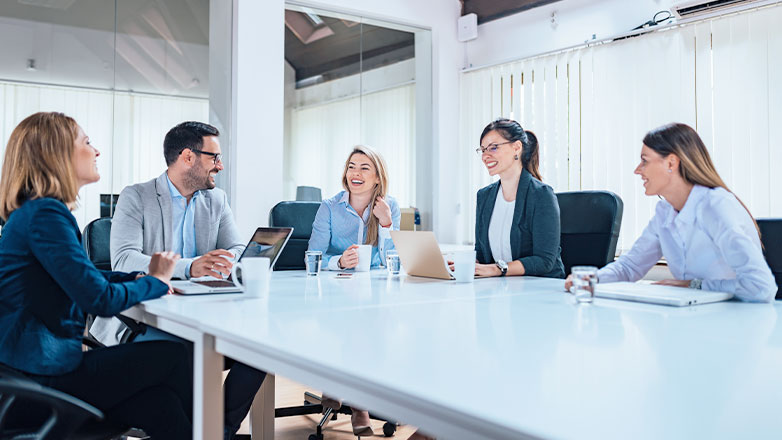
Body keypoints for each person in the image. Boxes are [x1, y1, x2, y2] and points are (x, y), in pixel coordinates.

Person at [0, 112, 190, 438]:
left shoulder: (34, 212)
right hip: (41, 381)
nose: (96, 151)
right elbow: (98, 298)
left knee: (160, 404)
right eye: (87, 142)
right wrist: (155, 282)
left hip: (27, 376)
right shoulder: (46, 214)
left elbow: (84, 277)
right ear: (56, 153)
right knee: (174, 355)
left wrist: (135, 279)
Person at [89, 121, 267, 439]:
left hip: (206, 315)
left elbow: (238, 248)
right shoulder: (137, 196)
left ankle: (219, 431)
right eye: (214, 157)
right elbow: (124, 260)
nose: (220, 166)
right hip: (143, 322)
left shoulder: (216, 200)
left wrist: (226, 261)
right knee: (185, 350)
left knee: (260, 347)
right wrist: (190, 267)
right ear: (188, 157)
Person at [565, 122, 776, 302]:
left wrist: (694, 285)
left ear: (671, 163)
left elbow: (761, 287)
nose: (638, 170)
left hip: (735, 322)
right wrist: (592, 279)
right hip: (694, 317)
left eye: (645, 161)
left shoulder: (716, 207)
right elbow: (630, 267)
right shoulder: (665, 212)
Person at [307, 145, 400, 436]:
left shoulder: (389, 206)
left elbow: (392, 259)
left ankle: (339, 385)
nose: (355, 173)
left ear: (377, 177)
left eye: (364, 168)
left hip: (374, 289)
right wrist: (338, 261)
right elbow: (312, 255)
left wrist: (386, 222)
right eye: (351, 167)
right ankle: (359, 404)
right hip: (335, 289)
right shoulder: (329, 207)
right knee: (357, 327)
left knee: (376, 325)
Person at [472, 118, 565, 278]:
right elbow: (481, 253)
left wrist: (497, 269)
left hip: (541, 286)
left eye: (493, 148)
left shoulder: (541, 195)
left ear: (516, 148)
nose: (485, 156)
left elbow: (544, 260)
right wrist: (465, 265)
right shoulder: (484, 196)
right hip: (501, 286)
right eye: (482, 150)